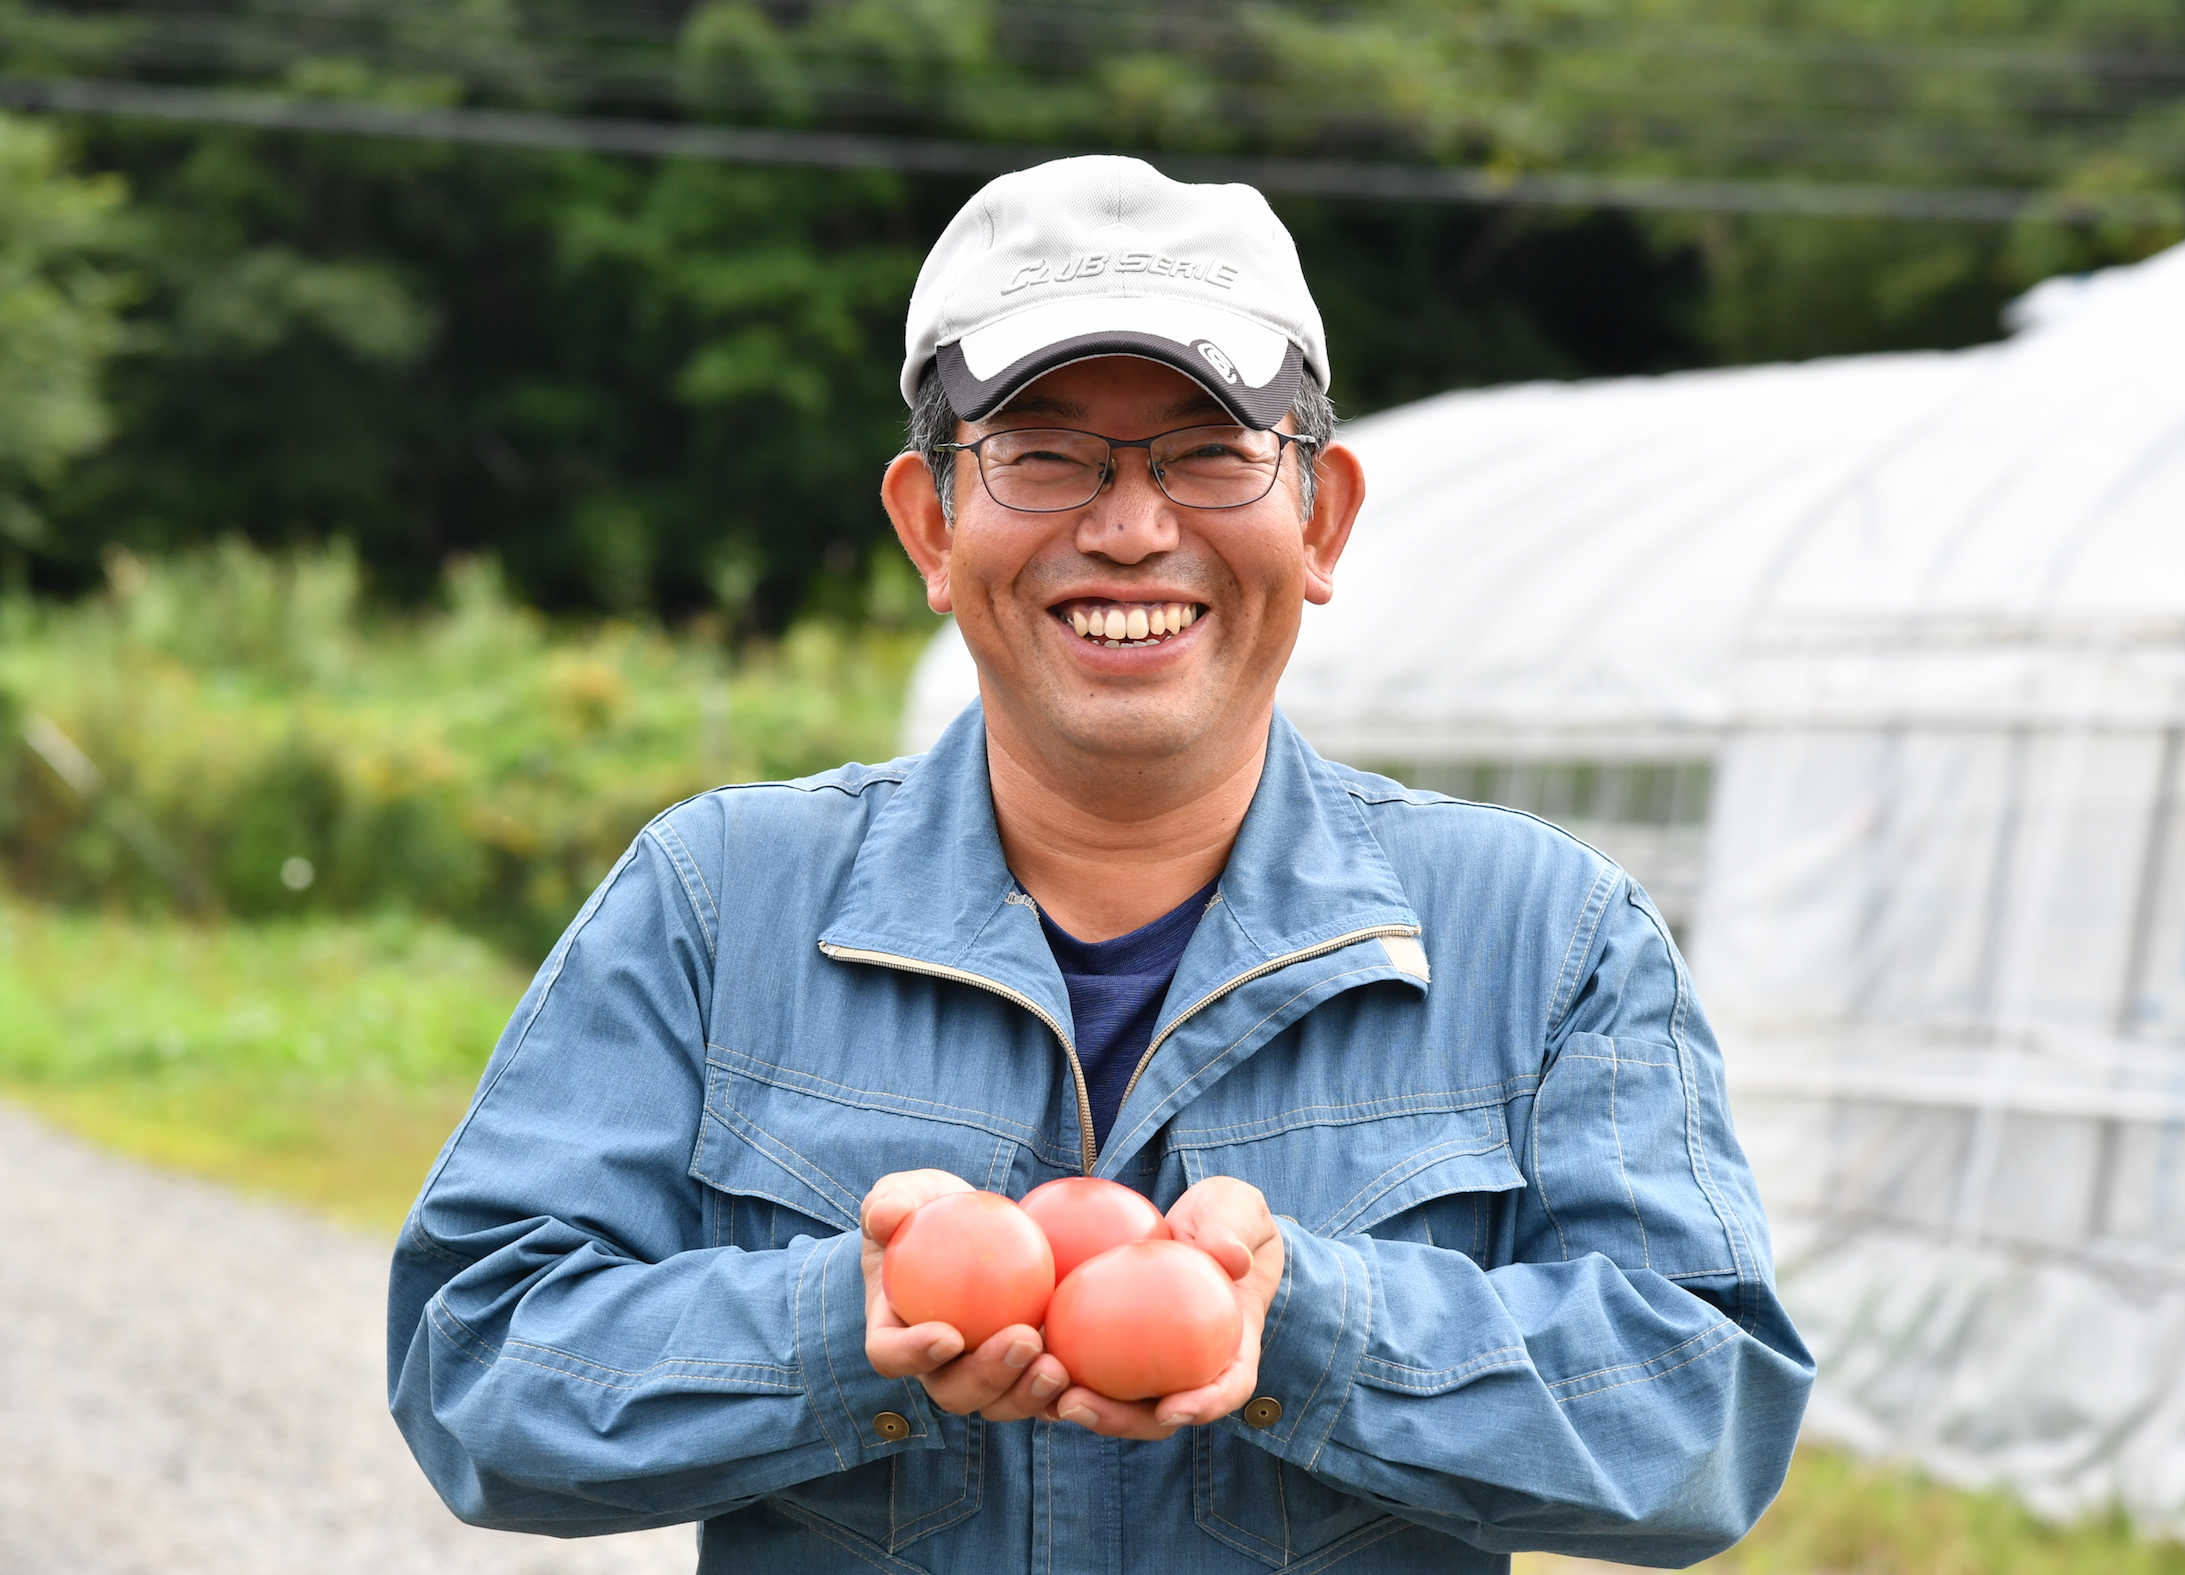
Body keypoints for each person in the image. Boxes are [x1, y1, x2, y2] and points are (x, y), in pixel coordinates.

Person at [388, 155, 1812, 1573]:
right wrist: (842, 1323)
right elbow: (476, 1372)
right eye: (1043, 453)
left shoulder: (1542, 936)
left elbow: (1700, 1425)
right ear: (932, 524)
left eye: (1208, 450)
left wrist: (1305, 1323)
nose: (1130, 531)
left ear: (1317, 518)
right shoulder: (721, 900)